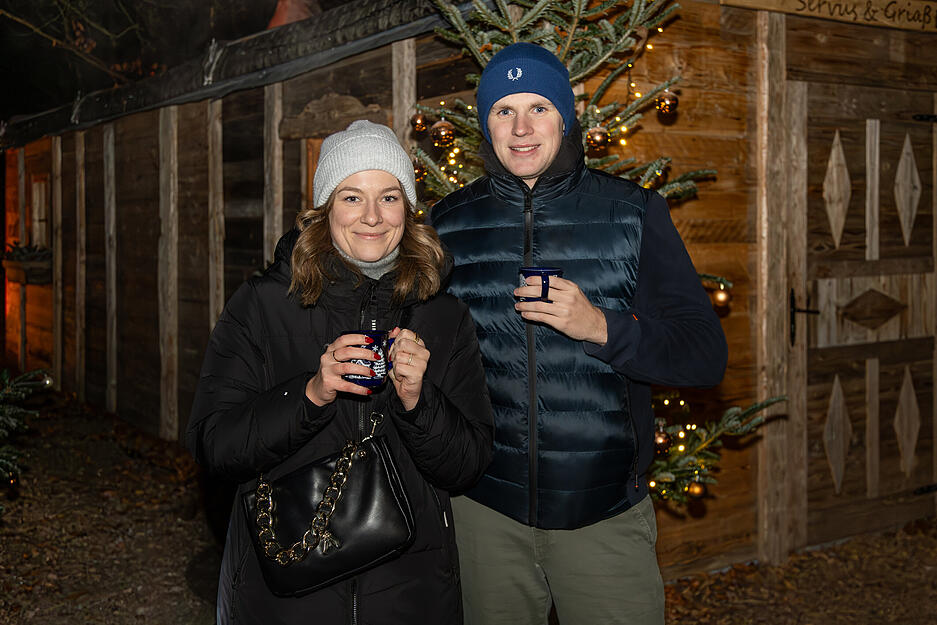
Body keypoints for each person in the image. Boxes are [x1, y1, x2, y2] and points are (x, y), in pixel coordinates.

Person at [429, 43, 728, 625]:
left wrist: (602, 327)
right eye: (502, 111)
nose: (520, 129)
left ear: (565, 117)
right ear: (484, 123)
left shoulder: (633, 214)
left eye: (538, 107)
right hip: (486, 514)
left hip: (604, 517)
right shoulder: (449, 223)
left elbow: (704, 355)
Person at [186, 120, 493, 625]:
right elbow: (214, 445)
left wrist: (420, 401)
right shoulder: (263, 305)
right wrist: (311, 393)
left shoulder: (444, 316)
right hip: (285, 591)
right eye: (352, 197)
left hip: (410, 593)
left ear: (408, 209)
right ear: (325, 209)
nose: (372, 217)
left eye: (389, 197)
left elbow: (467, 464)